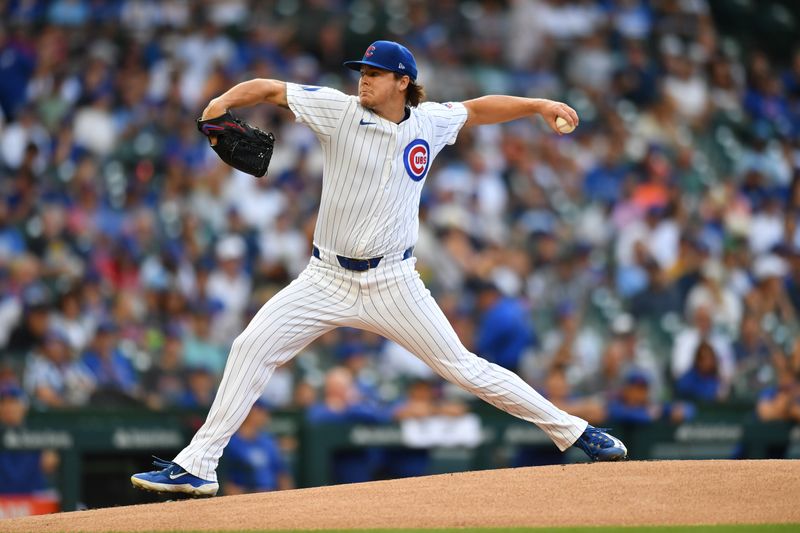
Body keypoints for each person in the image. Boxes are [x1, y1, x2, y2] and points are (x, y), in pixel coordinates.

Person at [132, 40, 627, 497]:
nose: (363, 80)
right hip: (326, 278)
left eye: (375, 72)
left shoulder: (429, 121)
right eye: (362, 71)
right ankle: (198, 464)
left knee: (464, 368)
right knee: (249, 348)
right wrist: (219, 105)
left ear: (402, 81)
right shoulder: (337, 110)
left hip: (394, 281)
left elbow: (477, 109)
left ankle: (575, 430)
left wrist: (537, 105)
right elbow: (267, 89)